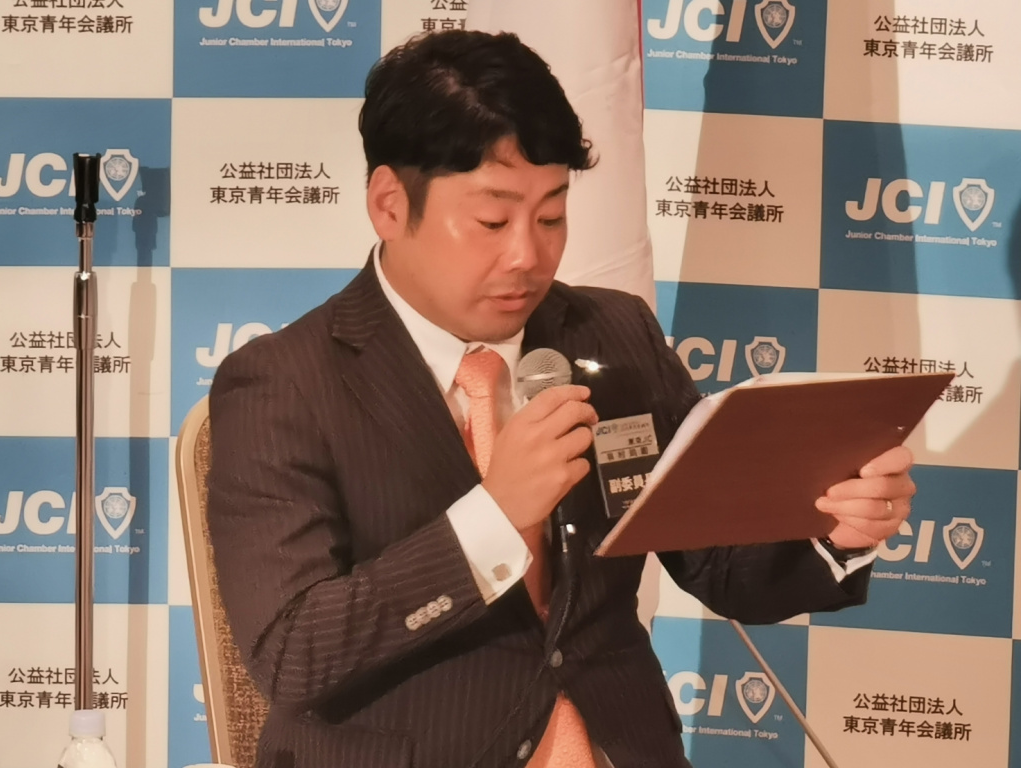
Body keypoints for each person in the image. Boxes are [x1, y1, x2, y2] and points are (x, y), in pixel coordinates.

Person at [206, 29, 916, 768]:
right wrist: (495, 516)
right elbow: (291, 654)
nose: (528, 255)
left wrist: (835, 530)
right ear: (389, 205)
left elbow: (718, 563)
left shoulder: (613, 334)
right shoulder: (283, 383)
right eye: (492, 221)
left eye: (551, 217)